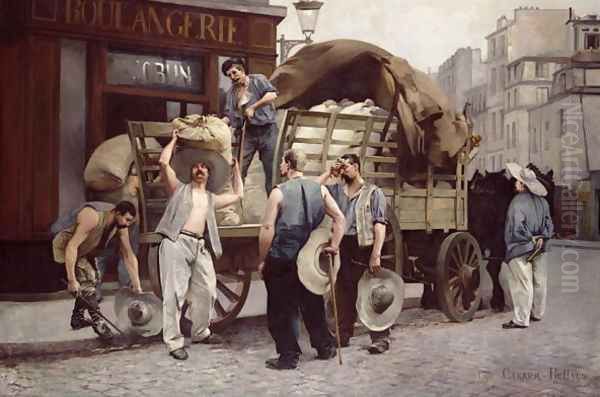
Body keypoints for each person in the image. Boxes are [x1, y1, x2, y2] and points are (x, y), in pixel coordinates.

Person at [157, 130, 243, 360]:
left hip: (199, 246)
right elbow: (163, 162)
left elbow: (238, 195)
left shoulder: (211, 198)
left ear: (209, 173)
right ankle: (174, 343)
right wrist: (174, 140)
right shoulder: (178, 189)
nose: (200, 169)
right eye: (197, 166)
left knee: (207, 290)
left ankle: (200, 332)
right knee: (174, 294)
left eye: (205, 166)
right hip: (176, 242)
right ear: (191, 171)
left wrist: (235, 169)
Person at [258, 148, 345, 370]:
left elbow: (267, 228)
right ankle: (325, 347)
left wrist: (262, 259)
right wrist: (334, 245)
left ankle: (288, 356)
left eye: (282, 163)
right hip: (308, 256)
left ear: (288, 164)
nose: (280, 167)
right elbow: (340, 218)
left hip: (282, 257)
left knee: (280, 308)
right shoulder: (320, 190)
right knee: (312, 302)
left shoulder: (278, 192)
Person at [318, 153, 391, 354]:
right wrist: (329, 172)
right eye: (341, 167)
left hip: (364, 246)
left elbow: (379, 226)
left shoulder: (374, 193)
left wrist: (375, 253)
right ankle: (343, 334)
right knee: (343, 292)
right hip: (344, 245)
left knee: (371, 292)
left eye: (347, 166)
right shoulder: (336, 191)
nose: (343, 170)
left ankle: (381, 338)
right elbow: (314, 190)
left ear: (357, 167)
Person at [51, 201, 143, 339]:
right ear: (117, 213)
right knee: (88, 279)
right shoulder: (92, 216)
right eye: (127, 219)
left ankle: (78, 318)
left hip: (85, 250)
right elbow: (72, 246)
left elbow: (128, 254)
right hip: (66, 246)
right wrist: (71, 279)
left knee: (93, 280)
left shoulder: (120, 225)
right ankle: (99, 322)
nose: (127, 224)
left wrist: (137, 285)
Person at [500, 163, 554, 329]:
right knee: (540, 281)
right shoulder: (543, 203)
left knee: (522, 283)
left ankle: (521, 319)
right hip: (541, 246)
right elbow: (549, 225)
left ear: (523, 185)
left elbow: (515, 228)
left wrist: (529, 239)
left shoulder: (517, 202)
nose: (515, 184)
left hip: (521, 248)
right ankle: (537, 313)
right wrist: (541, 238)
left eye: (517, 181)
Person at [221, 57, 278, 193]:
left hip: (268, 131)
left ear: (242, 70)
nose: (232, 77)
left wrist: (254, 107)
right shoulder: (232, 93)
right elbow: (230, 116)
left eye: (234, 73)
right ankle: (236, 204)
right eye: (229, 75)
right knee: (239, 169)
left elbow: (272, 95)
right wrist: (218, 123)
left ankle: (274, 205)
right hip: (248, 133)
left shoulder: (258, 80)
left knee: (272, 171)